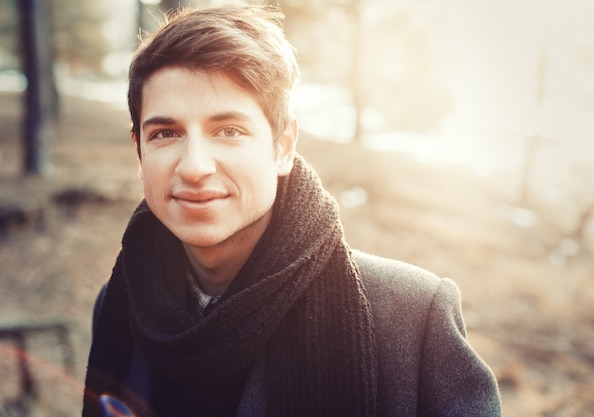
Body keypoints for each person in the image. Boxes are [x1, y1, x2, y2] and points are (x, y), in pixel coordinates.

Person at [83, 4, 502, 417]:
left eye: (229, 131)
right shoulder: (122, 303)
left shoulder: (413, 318)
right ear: (139, 153)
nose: (194, 166)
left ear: (282, 147)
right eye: (166, 133)